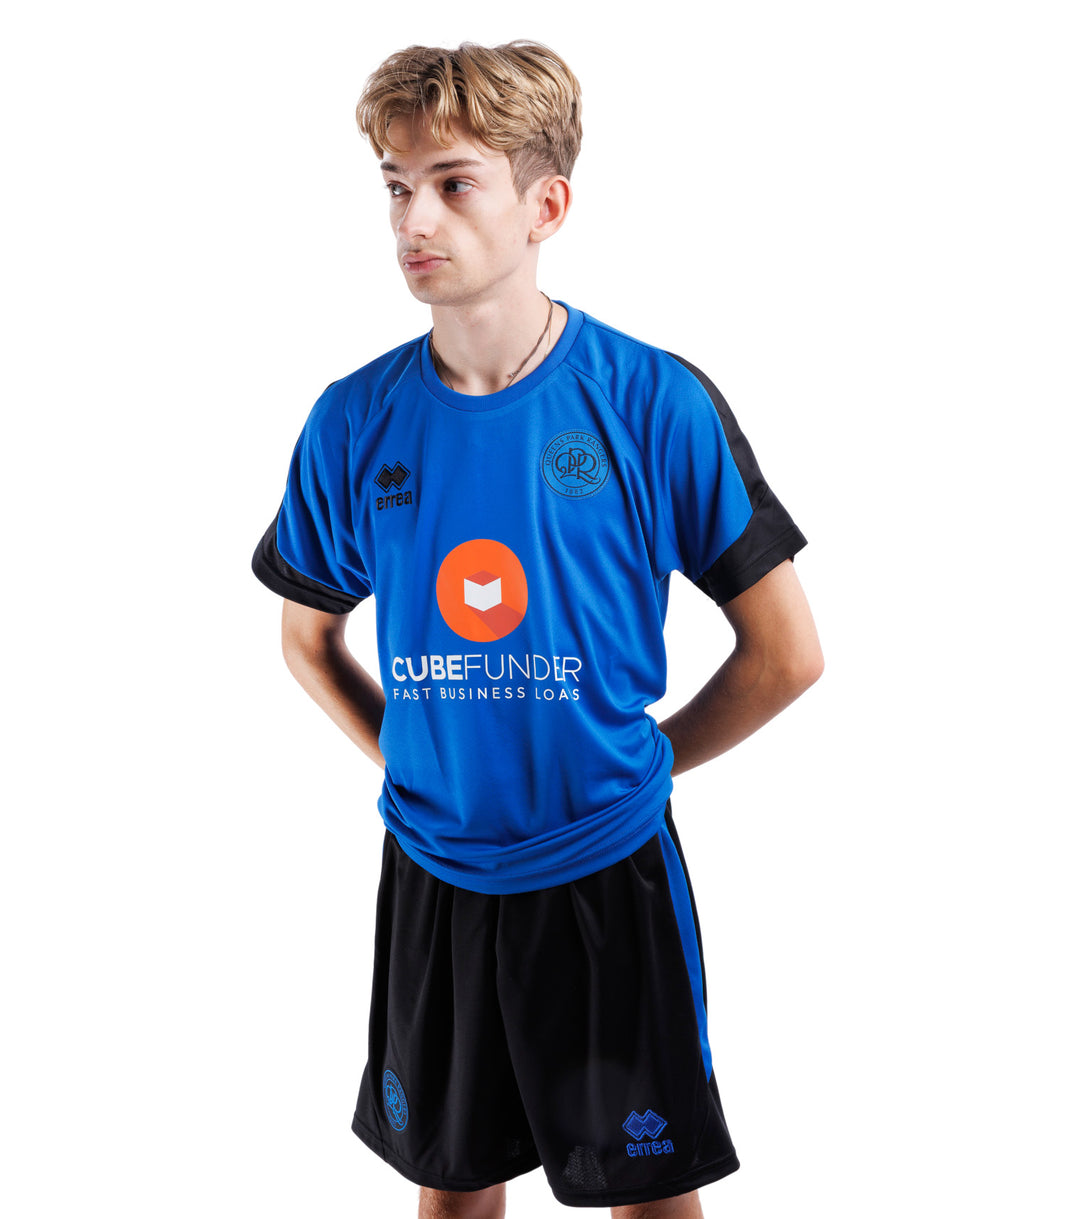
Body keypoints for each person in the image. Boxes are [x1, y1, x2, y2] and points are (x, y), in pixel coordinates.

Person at [252, 39, 823, 1219]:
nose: (414, 218)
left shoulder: (651, 401)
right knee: (453, 1186)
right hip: (435, 869)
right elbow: (306, 641)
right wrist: (415, 758)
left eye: (453, 184)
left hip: (606, 869)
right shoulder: (351, 420)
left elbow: (785, 654)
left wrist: (639, 762)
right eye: (396, 186)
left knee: (648, 1191)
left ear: (544, 206)